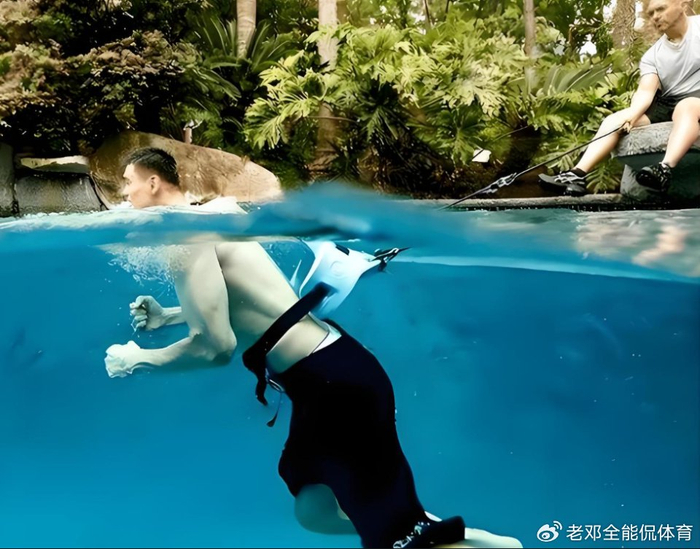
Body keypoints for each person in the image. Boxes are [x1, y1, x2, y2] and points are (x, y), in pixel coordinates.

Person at [104, 147, 522, 549]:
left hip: (336, 387)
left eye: (127, 183)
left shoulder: (186, 238)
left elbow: (215, 347)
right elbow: (245, 301)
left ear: (153, 183)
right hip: (329, 379)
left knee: (387, 531)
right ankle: (427, 528)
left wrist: (138, 360)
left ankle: (405, 529)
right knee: (314, 512)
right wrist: (168, 316)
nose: (124, 194)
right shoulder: (207, 221)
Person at [539, 0, 700, 196]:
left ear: (682, 5)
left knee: (686, 108)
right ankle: (577, 174)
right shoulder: (653, 55)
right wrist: (632, 116)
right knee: (614, 120)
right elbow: (645, 92)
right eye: (651, 13)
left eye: (661, 9)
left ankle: (664, 168)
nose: (655, 16)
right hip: (668, 102)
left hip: (694, 99)